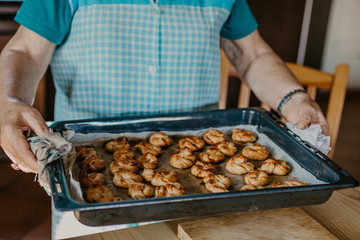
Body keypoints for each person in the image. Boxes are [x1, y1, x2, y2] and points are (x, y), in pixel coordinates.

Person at [0, 0, 329, 238]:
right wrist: (9, 101)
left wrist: (293, 98)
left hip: (202, 183)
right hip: (89, 183)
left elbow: (252, 54)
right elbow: (26, 52)